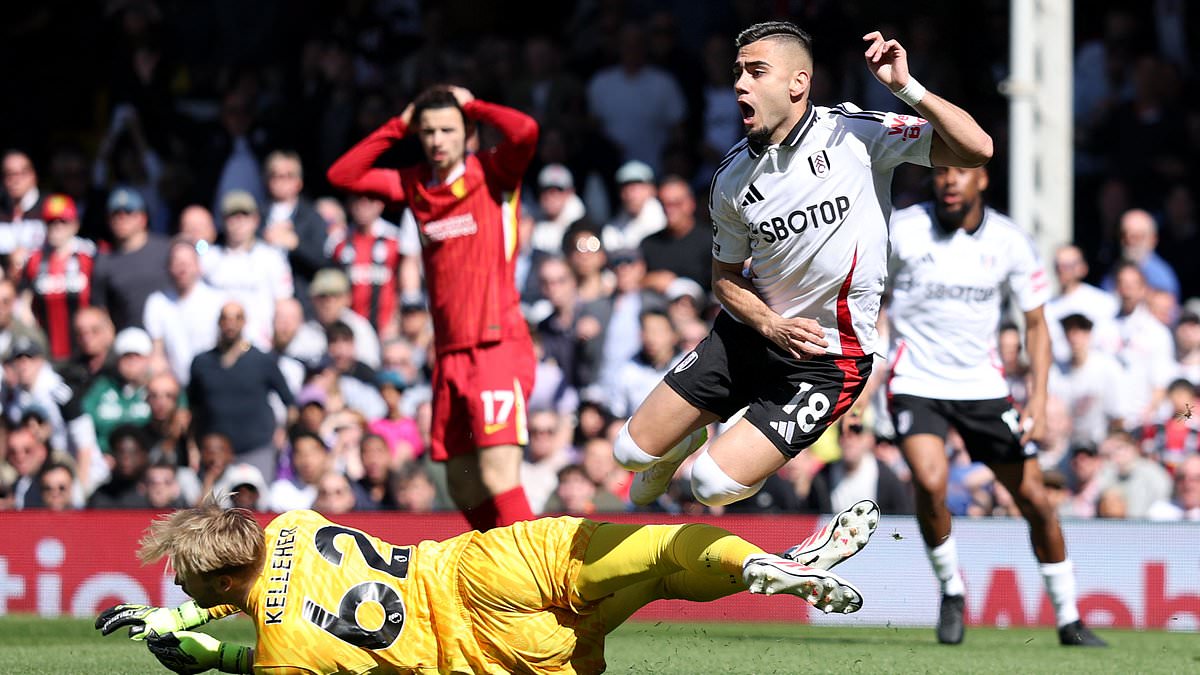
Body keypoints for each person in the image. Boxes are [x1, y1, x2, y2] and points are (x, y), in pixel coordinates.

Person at [614, 22, 991, 515]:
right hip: (752, 333)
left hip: (828, 358)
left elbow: (976, 149)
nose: (740, 84)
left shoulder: (855, 134)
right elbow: (724, 279)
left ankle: (719, 456)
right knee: (629, 453)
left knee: (709, 486)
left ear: (797, 83)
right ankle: (677, 447)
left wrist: (905, 87)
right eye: (737, 73)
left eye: (756, 71)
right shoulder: (729, 179)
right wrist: (769, 323)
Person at [96, 498, 879, 674]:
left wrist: (198, 654)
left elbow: (261, 640)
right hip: (478, 563)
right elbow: (264, 579)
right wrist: (182, 607)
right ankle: (767, 563)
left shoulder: (282, 648)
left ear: (224, 573)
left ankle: (773, 567)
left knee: (649, 591)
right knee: (656, 550)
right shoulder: (294, 520)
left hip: (491, 649)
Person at [885, 164, 1104, 646]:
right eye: (940, 170)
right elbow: (864, 294)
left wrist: (1040, 400)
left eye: (960, 171)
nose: (948, 180)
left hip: (983, 388)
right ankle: (952, 590)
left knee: (1036, 502)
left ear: (981, 179)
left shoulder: (1009, 240)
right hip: (915, 379)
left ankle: (1069, 618)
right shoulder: (901, 229)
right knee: (929, 480)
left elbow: (1036, 324)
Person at [327, 85, 539, 531]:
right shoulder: (415, 183)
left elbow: (525, 131)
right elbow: (343, 175)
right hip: (448, 356)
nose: (437, 139)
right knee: (462, 486)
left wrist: (473, 103)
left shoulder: (493, 172)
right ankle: (502, 571)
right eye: (427, 132)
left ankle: (538, 586)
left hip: (496, 346)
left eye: (448, 129)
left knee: (500, 476)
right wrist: (397, 126)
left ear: (469, 133)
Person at [19, 194, 96, 360]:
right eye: (50, 222)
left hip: (85, 350)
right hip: (46, 352)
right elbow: (24, 305)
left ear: (75, 224)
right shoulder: (34, 259)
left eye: (63, 221)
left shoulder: (89, 256)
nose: (56, 227)